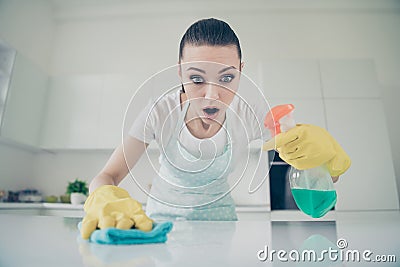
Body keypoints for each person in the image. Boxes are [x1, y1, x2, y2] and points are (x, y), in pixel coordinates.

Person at [80, 18, 351, 239]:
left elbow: (320, 175)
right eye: (196, 78)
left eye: (227, 78)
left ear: (241, 72)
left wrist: (323, 160)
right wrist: (103, 195)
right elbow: (108, 175)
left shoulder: (250, 113)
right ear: (179, 72)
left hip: (220, 227)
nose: (212, 96)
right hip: (159, 226)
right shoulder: (159, 111)